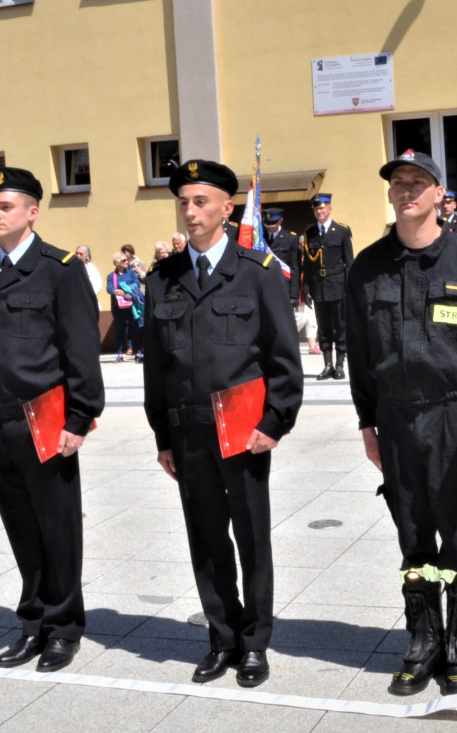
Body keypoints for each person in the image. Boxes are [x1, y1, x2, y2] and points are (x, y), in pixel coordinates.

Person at [347, 150, 457, 697]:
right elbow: (359, 352)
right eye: (397, 182)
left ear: (441, 194)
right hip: (394, 416)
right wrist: (367, 423)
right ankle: (423, 640)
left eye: (418, 182)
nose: (406, 190)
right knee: (412, 531)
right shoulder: (367, 267)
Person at [143, 159, 303, 689]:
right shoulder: (162, 279)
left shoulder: (257, 272)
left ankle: (255, 642)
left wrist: (275, 423)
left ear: (227, 208)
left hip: (245, 432)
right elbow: (156, 368)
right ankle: (222, 636)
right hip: (189, 432)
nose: (190, 211)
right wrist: (162, 437)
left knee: (252, 537)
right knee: (206, 538)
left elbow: (283, 357)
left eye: (201, 201)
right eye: (184, 202)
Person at [0, 167, 104, 672]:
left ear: (32, 211)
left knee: (58, 526)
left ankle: (64, 628)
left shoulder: (60, 268)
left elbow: (80, 349)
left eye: (6, 207)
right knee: (21, 527)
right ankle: (33, 623)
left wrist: (80, 417)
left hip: (45, 419)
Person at [302, 193, 354, 380]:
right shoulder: (310, 234)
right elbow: (307, 265)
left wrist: (349, 288)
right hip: (319, 287)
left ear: (330, 209)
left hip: (338, 286)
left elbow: (349, 262)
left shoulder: (341, 231)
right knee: (323, 328)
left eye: (322, 208)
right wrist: (306, 289)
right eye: (316, 209)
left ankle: (340, 364)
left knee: (340, 327)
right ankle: (327, 365)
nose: (319, 211)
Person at [107, 251, 144, 362]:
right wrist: (115, 291)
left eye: (127, 260)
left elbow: (137, 284)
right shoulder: (111, 276)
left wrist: (126, 290)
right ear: (117, 263)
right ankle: (120, 352)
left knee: (135, 328)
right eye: (123, 260)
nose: (127, 262)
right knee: (120, 330)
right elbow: (109, 288)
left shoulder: (131, 273)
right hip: (118, 307)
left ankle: (138, 351)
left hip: (131, 305)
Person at [264, 208, 301, 306]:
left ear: (280, 220)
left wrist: (294, 295)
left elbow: (295, 268)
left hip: (284, 285)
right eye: (268, 224)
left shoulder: (290, 238)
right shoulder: (260, 238)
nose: (270, 227)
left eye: (273, 224)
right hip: (265, 286)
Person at [75, 244, 103, 310]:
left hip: (88, 302)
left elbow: (98, 285)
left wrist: (88, 294)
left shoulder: (92, 269)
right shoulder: (71, 268)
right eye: (77, 253)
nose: (78, 256)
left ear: (87, 256)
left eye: (81, 254)